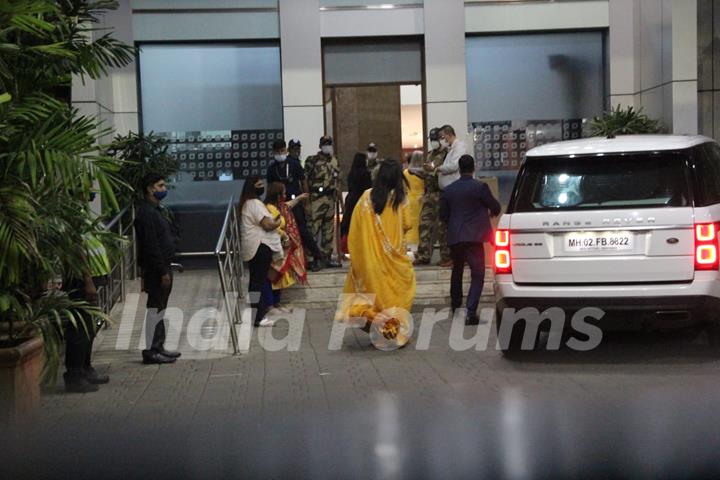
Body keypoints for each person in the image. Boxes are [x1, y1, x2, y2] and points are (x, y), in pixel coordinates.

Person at [335, 159, 416, 349]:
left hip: (369, 262)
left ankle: (382, 328)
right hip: (394, 262)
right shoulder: (401, 200)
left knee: (370, 303)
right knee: (396, 298)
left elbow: (354, 229)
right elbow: (407, 224)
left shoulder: (365, 198)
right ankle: (392, 331)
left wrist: (358, 256)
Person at [439, 155, 501, 325]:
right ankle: (471, 312)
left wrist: (453, 224)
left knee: (457, 270)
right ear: (473, 168)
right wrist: (489, 214)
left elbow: (442, 214)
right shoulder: (480, 187)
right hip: (474, 238)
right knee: (478, 273)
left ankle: (456, 306)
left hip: (455, 237)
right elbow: (495, 206)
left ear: (459, 169)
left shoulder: (449, 190)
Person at [135, 173, 182, 364]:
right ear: (150, 188)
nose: (164, 189)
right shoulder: (147, 213)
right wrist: (162, 270)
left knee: (160, 308)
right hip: (157, 268)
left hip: (162, 265)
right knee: (155, 307)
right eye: (160, 185)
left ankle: (158, 346)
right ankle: (152, 349)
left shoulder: (155, 211)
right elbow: (151, 245)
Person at [62, 221, 112, 393]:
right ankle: (75, 375)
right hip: (80, 281)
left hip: (91, 278)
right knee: (80, 330)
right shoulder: (71, 216)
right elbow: (77, 251)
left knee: (88, 328)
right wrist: (88, 280)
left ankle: (85, 368)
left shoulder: (81, 214)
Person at [271, 139, 325, 272]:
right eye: (277, 152)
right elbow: (270, 188)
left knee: (303, 231)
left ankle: (318, 256)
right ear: (273, 152)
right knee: (283, 232)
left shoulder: (294, 164)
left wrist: (306, 202)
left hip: (296, 203)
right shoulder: (272, 169)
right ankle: (287, 262)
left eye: (282, 151)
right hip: (280, 205)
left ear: (285, 150)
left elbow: (303, 182)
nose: (280, 154)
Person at [240, 177, 283, 327]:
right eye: (258, 185)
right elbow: (267, 224)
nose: (262, 187)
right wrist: (278, 222)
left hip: (252, 247)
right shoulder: (255, 204)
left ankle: (256, 314)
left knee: (254, 282)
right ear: (252, 188)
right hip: (260, 246)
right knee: (258, 282)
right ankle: (258, 316)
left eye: (262, 184)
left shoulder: (246, 203)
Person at [264, 181, 309, 314]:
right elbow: (273, 227)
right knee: (272, 276)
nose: (285, 195)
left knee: (280, 276)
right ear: (277, 195)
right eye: (283, 193)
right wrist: (285, 235)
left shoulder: (280, 207)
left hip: (281, 247)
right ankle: (270, 305)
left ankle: (277, 303)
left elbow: (289, 204)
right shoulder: (269, 208)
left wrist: (300, 198)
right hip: (273, 246)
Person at [413, 128, 452, 266]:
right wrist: (418, 172)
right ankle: (423, 255)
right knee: (424, 225)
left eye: (436, 139)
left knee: (443, 227)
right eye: (432, 139)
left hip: (441, 193)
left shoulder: (447, 154)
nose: (434, 142)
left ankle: (446, 256)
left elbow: (447, 172)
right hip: (429, 194)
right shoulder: (429, 155)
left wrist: (430, 171)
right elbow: (427, 172)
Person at [305, 136, 342, 268]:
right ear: (320, 145)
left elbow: (338, 180)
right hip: (316, 198)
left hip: (330, 198)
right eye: (325, 144)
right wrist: (307, 200)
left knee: (328, 230)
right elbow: (305, 179)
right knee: (313, 229)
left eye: (329, 144)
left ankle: (326, 258)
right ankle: (311, 259)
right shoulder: (312, 160)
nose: (327, 146)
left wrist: (339, 197)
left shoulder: (334, 161)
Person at [340, 152, 372, 239]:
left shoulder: (351, 173)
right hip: (362, 201)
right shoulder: (366, 174)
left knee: (350, 222)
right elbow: (369, 188)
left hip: (351, 200)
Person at [403, 150, 425, 246]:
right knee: (421, 223)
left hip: (409, 200)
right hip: (422, 200)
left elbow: (403, 188)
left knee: (410, 221)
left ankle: (409, 242)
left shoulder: (406, 172)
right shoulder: (425, 174)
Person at [436, 124, 467, 191]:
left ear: (449, 134)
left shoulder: (459, 147)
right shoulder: (451, 149)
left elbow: (454, 166)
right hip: (450, 189)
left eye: (442, 137)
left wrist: (439, 168)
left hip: (455, 189)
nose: (442, 140)